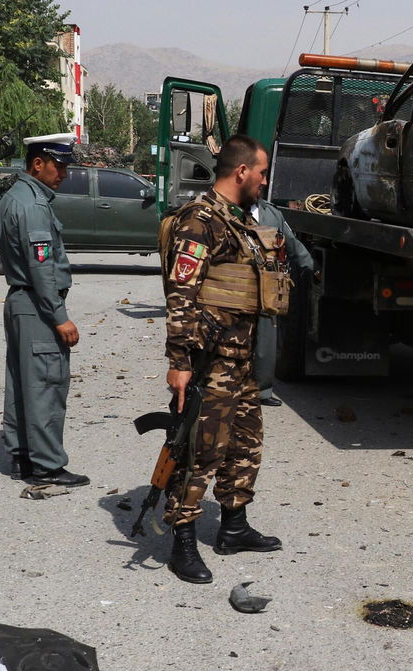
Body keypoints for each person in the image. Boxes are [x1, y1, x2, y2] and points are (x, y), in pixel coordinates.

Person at [159, 134, 313, 584]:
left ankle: (234, 527)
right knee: (199, 450)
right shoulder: (199, 220)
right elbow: (181, 294)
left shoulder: (236, 220)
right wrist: (180, 361)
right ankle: (182, 541)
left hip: (240, 358)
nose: (265, 182)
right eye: (262, 173)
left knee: (245, 445)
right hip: (210, 361)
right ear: (242, 171)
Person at [0, 133, 89, 487]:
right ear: (39, 163)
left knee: (21, 381)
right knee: (46, 385)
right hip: (37, 305)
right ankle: (47, 465)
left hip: (20, 301)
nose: (63, 173)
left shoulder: (13, 197)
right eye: (60, 166)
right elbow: (41, 269)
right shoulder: (34, 205)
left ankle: (22, 456)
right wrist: (59, 316)